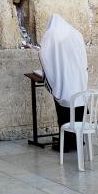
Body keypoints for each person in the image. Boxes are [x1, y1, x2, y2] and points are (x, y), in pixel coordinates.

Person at [39, 14, 87, 153]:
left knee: (64, 113)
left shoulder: (51, 34)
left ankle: (65, 144)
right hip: (78, 79)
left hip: (63, 81)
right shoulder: (76, 33)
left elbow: (44, 55)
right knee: (77, 110)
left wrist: (52, 73)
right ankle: (77, 141)